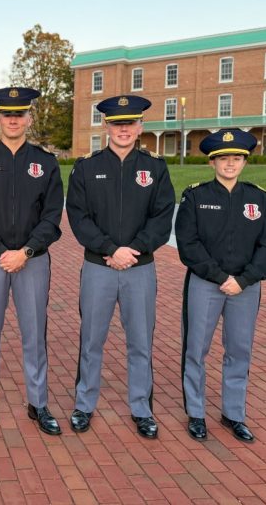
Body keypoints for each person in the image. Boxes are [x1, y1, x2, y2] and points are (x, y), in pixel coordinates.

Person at [66, 95, 174, 439]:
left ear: (140, 126)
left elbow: (162, 218)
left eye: (130, 122)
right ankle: (84, 405)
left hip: (140, 269)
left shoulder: (155, 168)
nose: (123, 129)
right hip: (98, 266)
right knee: (91, 340)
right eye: (117, 123)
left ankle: (141, 408)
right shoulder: (86, 167)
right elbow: (78, 218)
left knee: (140, 341)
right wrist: (111, 250)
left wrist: (135, 250)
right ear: (106, 126)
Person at [0, 87, 64, 436]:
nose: (13, 120)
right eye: (7, 114)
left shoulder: (45, 163)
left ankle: (39, 404)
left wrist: (26, 251)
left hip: (33, 261)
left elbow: (52, 217)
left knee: (34, 334)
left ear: (29, 118)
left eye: (20, 114)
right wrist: (1, 250)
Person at [175, 129, 266, 443]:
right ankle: (196, 413)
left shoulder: (259, 198)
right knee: (196, 350)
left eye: (236, 158)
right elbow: (188, 245)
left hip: (245, 288)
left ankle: (233, 414)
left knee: (239, 351)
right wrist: (221, 278)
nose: (230, 164)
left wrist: (244, 280)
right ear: (212, 161)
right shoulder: (196, 196)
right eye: (224, 158)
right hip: (206, 284)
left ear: (244, 162)